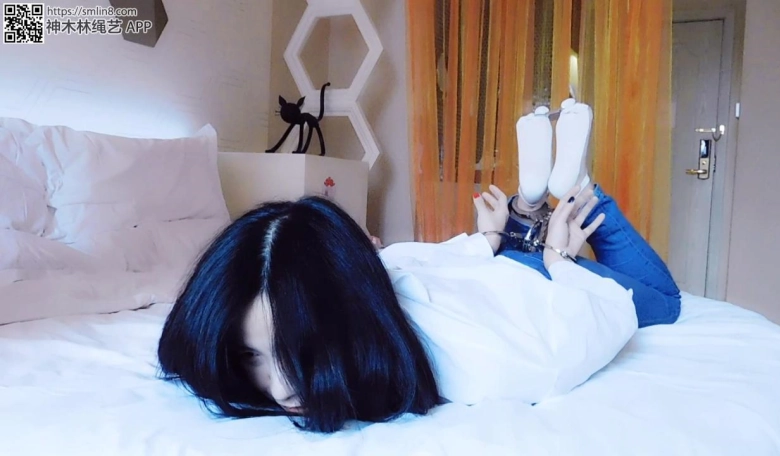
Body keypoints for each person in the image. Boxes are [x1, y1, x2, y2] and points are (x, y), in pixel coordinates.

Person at [157, 99, 681, 434]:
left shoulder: (477, 364)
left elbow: (577, 339)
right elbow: (424, 263)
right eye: (250, 355)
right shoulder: (376, 276)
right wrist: (488, 240)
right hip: (498, 267)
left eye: (299, 348)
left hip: (537, 276)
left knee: (663, 301)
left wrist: (561, 261)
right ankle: (537, 202)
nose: (281, 390)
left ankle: (578, 192)